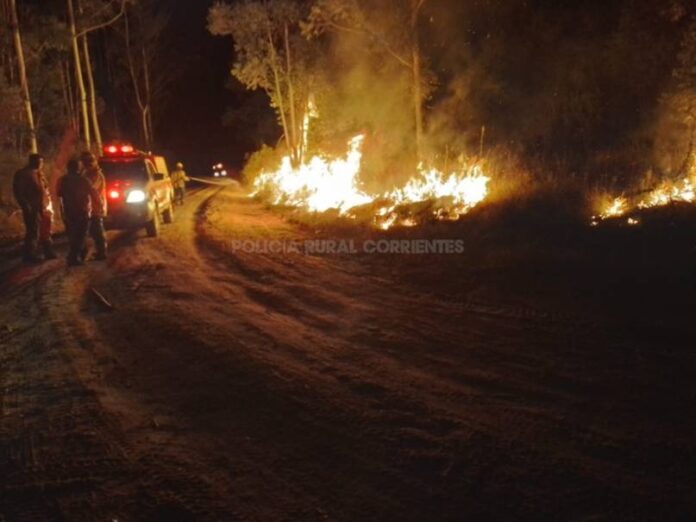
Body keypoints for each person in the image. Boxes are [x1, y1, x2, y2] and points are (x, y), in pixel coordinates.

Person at [12, 153, 56, 263]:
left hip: (43, 206)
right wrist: (25, 205)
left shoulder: (39, 173)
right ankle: (29, 255)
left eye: (41, 162)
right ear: (31, 162)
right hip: (32, 207)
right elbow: (19, 192)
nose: (40, 164)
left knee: (45, 229)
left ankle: (48, 251)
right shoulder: (24, 174)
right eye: (37, 162)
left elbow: (45, 189)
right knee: (33, 230)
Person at [57, 159, 93, 266]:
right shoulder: (83, 180)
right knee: (81, 234)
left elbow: (58, 193)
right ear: (78, 168)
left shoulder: (62, 180)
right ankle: (73, 256)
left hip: (68, 210)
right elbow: (92, 192)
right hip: (81, 210)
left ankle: (80, 254)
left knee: (72, 234)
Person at [80, 151, 107, 260]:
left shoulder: (97, 175)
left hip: (95, 208)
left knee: (97, 231)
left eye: (90, 160)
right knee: (90, 232)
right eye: (85, 161)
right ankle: (95, 252)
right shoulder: (85, 174)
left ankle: (102, 252)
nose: (88, 163)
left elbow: (91, 190)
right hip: (87, 207)